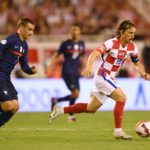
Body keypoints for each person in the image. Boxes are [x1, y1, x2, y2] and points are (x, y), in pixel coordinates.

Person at [49, 20, 150, 139]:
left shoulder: (132, 47)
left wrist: (144, 73)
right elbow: (94, 54)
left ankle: (60, 110)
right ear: (122, 32)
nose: (132, 36)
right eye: (130, 33)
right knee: (122, 98)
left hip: (110, 77)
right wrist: (89, 66)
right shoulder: (111, 43)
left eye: (133, 33)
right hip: (102, 75)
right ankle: (118, 131)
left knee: (90, 108)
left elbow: (137, 63)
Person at [0, 17, 37, 127]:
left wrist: (31, 71)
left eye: (32, 30)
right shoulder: (11, 40)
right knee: (8, 106)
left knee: (15, 106)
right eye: (29, 29)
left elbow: (24, 66)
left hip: (6, 78)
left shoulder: (24, 46)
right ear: (21, 28)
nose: (31, 33)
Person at [49, 25, 86, 122]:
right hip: (67, 71)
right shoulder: (65, 44)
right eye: (73, 30)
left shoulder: (82, 44)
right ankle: (69, 115)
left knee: (75, 95)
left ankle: (57, 102)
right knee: (75, 94)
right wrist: (50, 67)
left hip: (76, 72)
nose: (74, 32)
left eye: (76, 30)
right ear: (71, 32)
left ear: (79, 32)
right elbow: (56, 55)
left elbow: (82, 57)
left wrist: (85, 68)